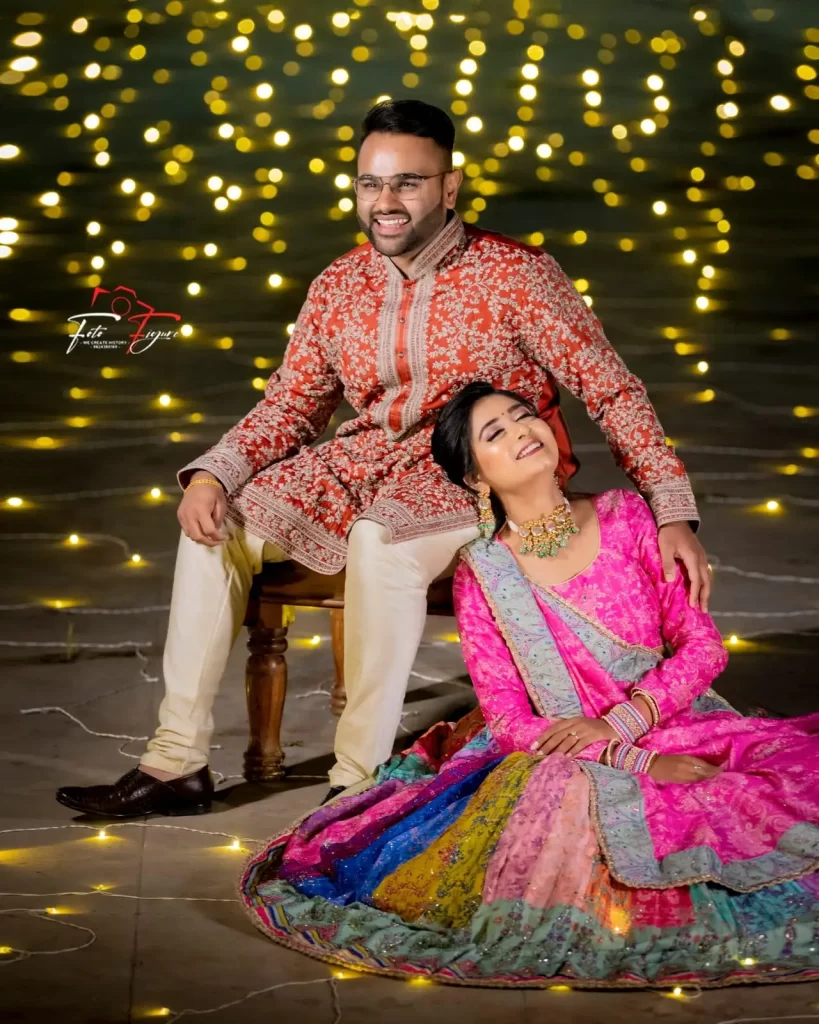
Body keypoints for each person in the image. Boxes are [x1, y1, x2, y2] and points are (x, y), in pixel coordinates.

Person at [56, 99, 709, 820]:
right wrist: (215, 471)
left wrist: (671, 509)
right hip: (362, 460)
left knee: (381, 539)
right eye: (371, 183)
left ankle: (356, 778)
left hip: (471, 470)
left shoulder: (516, 275)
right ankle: (174, 763)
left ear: (449, 187)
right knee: (218, 521)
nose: (385, 202)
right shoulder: (339, 285)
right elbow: (293, 404)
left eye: (408, 183)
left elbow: (611, 389)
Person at [240, 383, 819, 990]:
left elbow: (702, 647)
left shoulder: (626, 516)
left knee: (761, 801)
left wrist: (624, 724)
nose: (521, 432)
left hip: (677, 719)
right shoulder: (483, 573)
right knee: (555, 803)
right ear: (475, 478)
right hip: (559, 748)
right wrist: (627, 758)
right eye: (495, 434)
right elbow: (511, 719)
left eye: (524, 417)